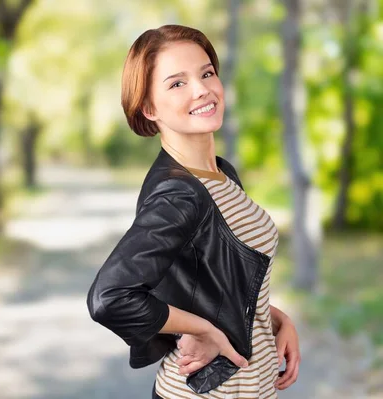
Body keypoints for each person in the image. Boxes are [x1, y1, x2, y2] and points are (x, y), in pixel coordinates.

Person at [86, 25, 301, 398]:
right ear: (149, 108)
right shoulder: (179, 194)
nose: (202, 89)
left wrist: (279, 319)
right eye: (177, 83)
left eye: (206, 73)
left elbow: (217, 280)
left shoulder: (219, 173)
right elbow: (110, 296)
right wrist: (202, 330)